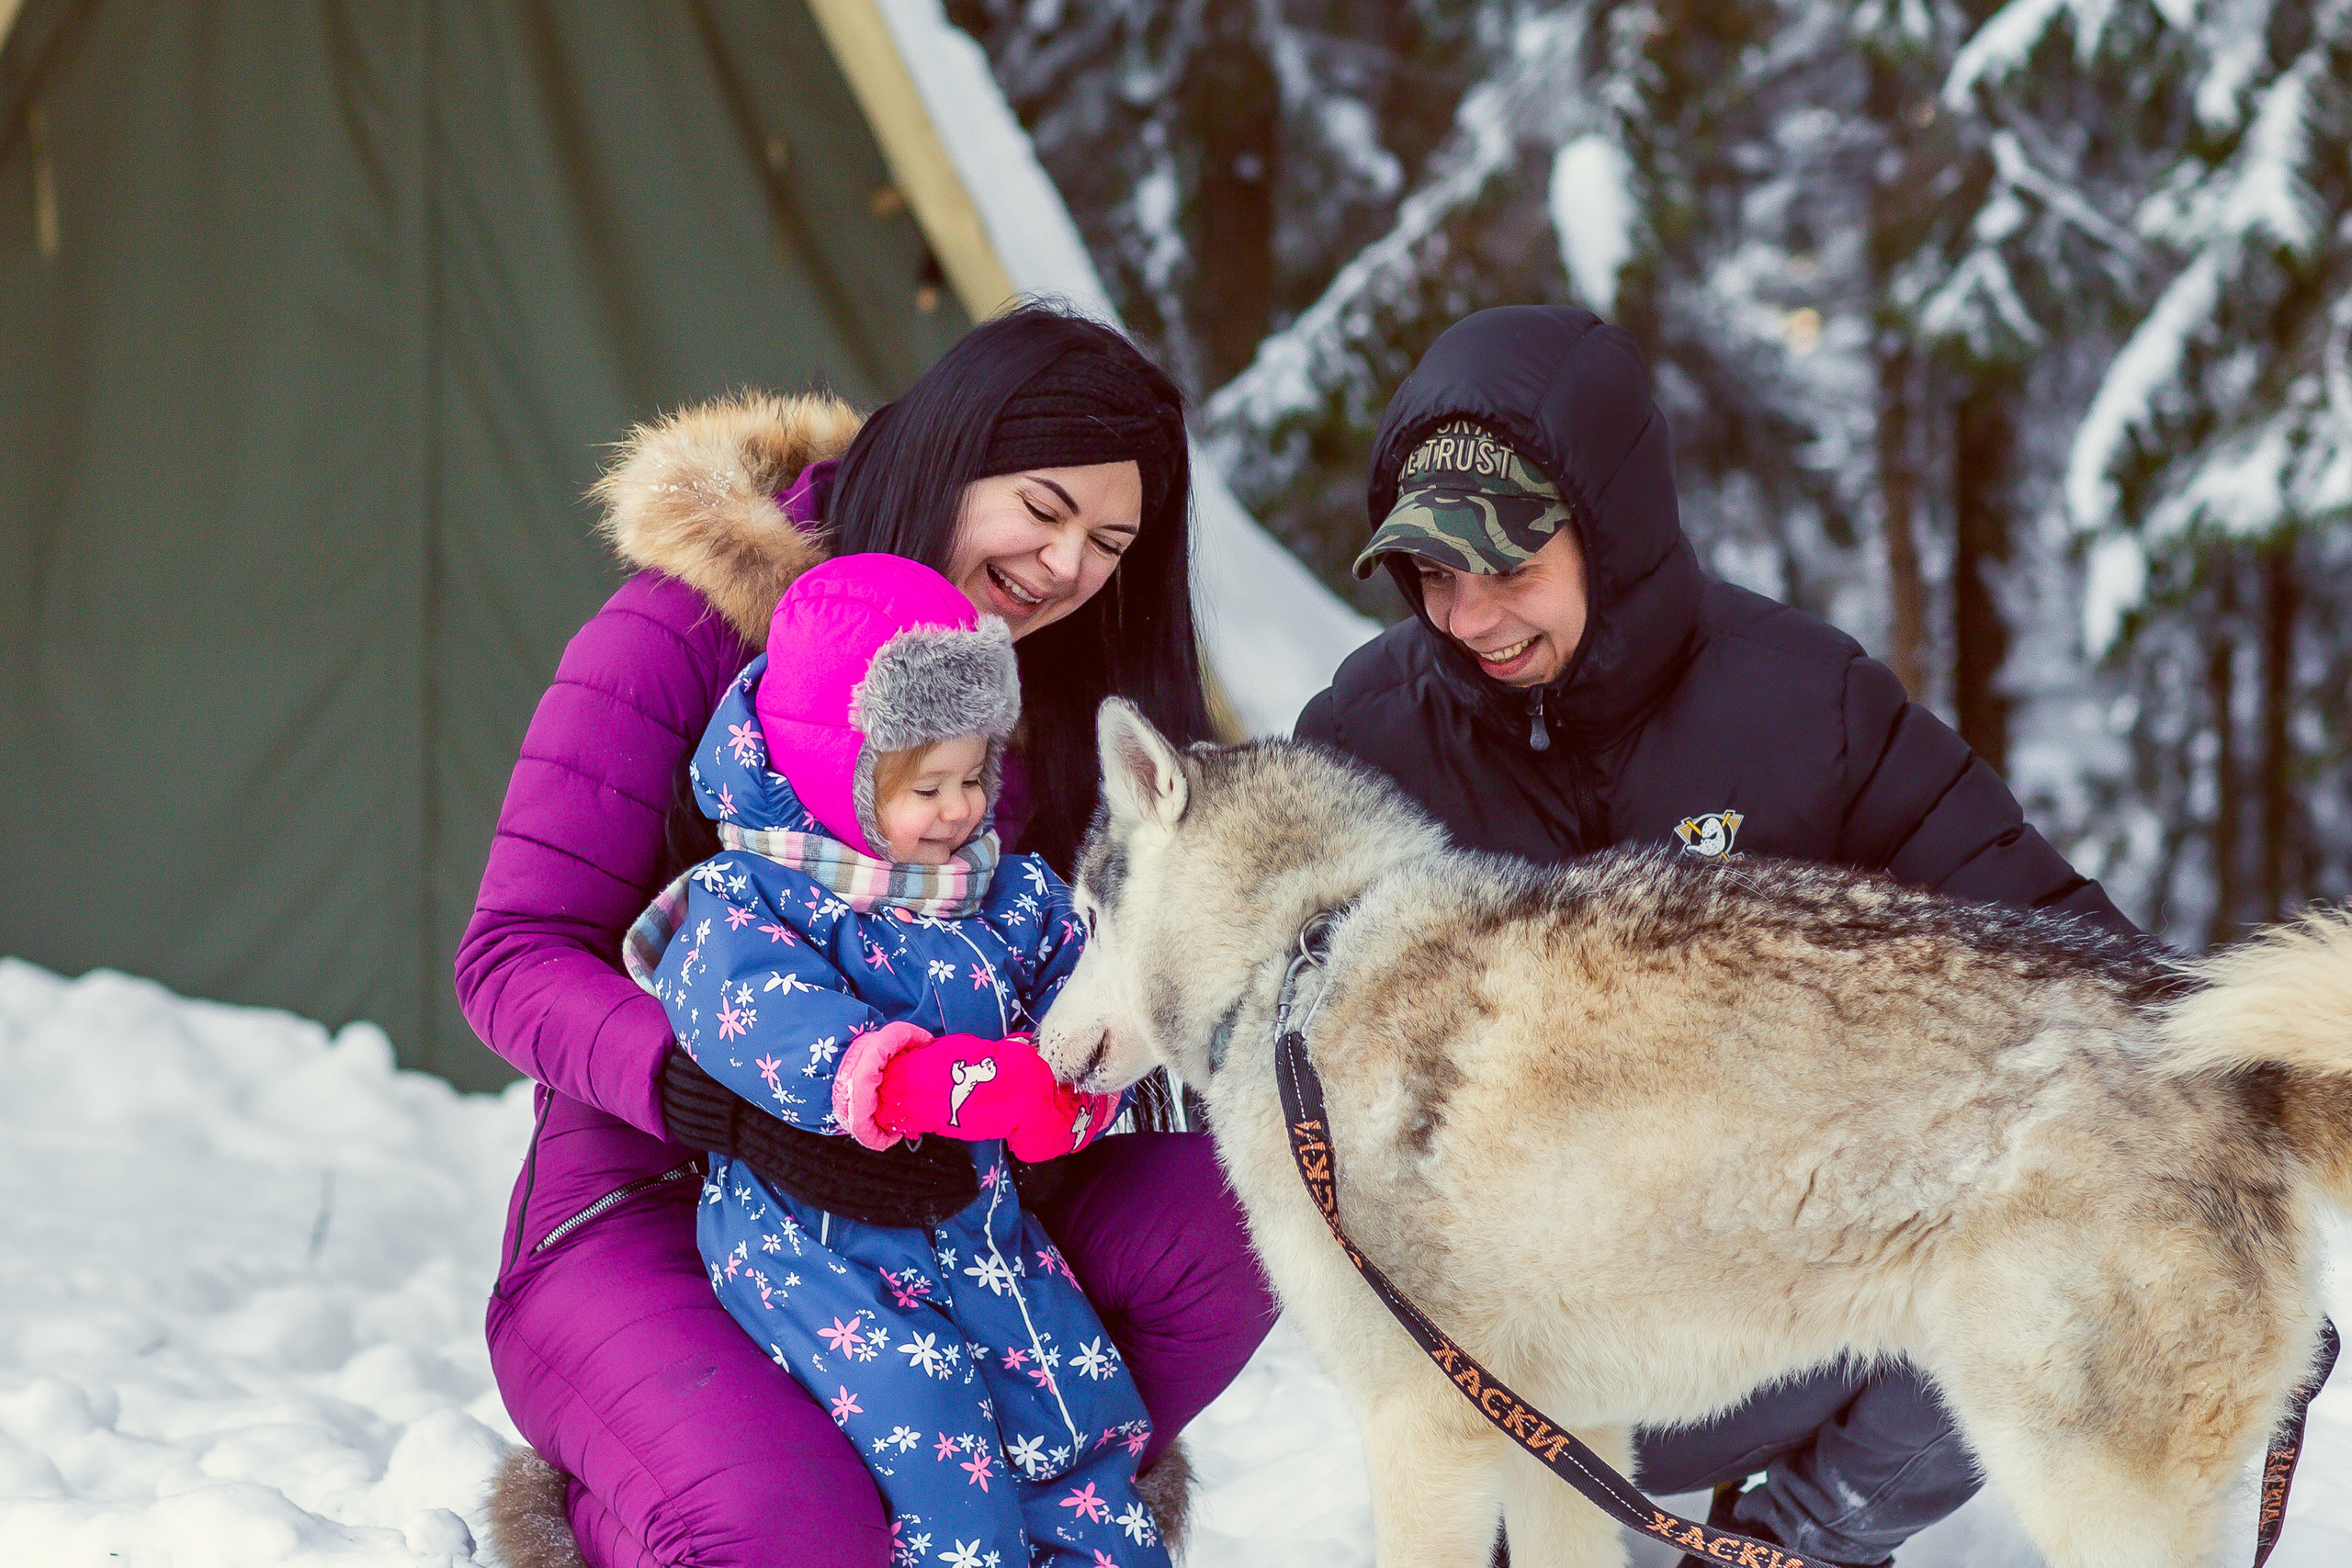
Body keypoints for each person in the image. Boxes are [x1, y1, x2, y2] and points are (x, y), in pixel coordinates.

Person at [1294, 303, 2137, 1568]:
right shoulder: (1368, 732)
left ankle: (1801, 1537)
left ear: (1613, 532)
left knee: (2082, 1245)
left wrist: (2219, 1160)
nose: (1468, 617)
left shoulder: (1808, 704)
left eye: (1509, 568)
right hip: (1507, 1329)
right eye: (1433, 573)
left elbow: (2060, 948)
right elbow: (1270, 1015)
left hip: (1774, 1301)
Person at [458, 304, 1278, 1568]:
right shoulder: (688, 628)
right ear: (950, 454)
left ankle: (1035, 1496)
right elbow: (512, 954)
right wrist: (728, 1100)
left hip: (947, 1196)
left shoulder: (1045, 675)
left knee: (1240, 1207)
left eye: (1111, 541)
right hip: (653, 1189)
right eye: (1044, 508)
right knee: (788, 1533)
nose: (1067, 566)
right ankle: (653, 1500)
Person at [630, 551, 1159, 1567]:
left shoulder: (1000, 889)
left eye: (974, 776)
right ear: (840, 768)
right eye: (927, 786)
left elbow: (1083, 974)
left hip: (977, 1229)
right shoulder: (753, 896)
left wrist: (1074, 1088)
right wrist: (917, 1080)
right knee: (934, 1443)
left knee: (1071, 1406)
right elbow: (746, 1010)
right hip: (816, 1249)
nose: (961, 810)